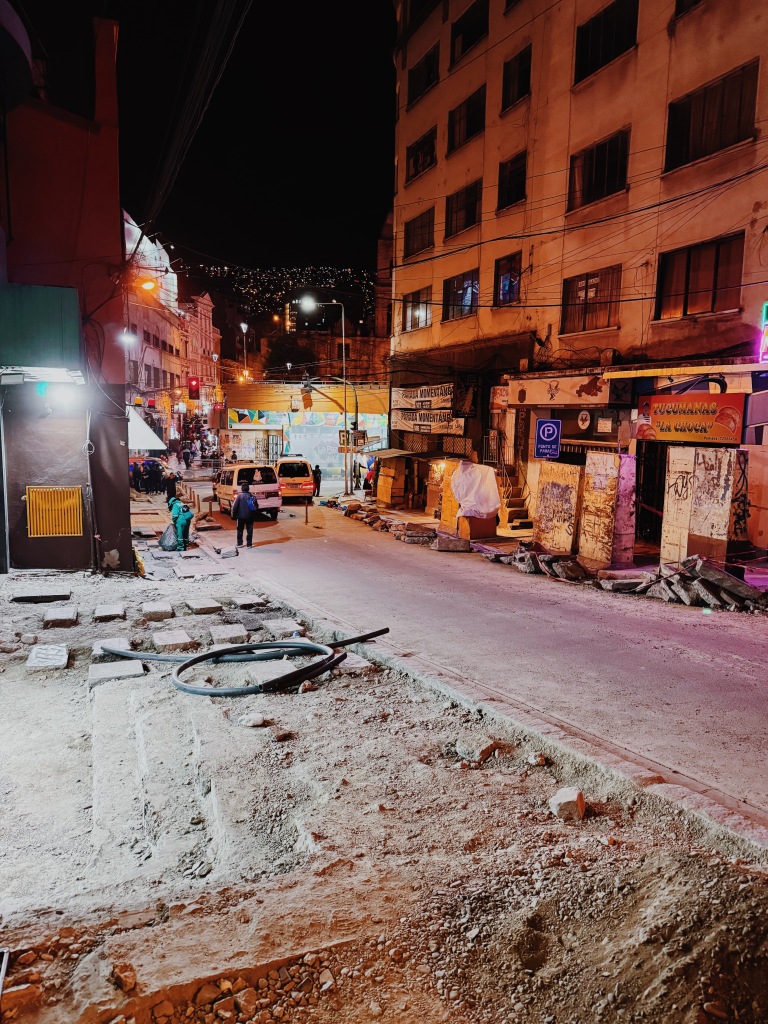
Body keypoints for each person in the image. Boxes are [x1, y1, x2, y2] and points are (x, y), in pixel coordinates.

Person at [231, 481, 256, 547]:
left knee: (240, 530)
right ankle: (249, 544)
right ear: (248, 489)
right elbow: (256, 507)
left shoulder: (239, 496)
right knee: (249, 530)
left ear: (242, 488)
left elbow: (235, 507)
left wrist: (234, 515)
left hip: (240, 517)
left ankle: (239, 543)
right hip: (250, 516)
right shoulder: (252, 496)